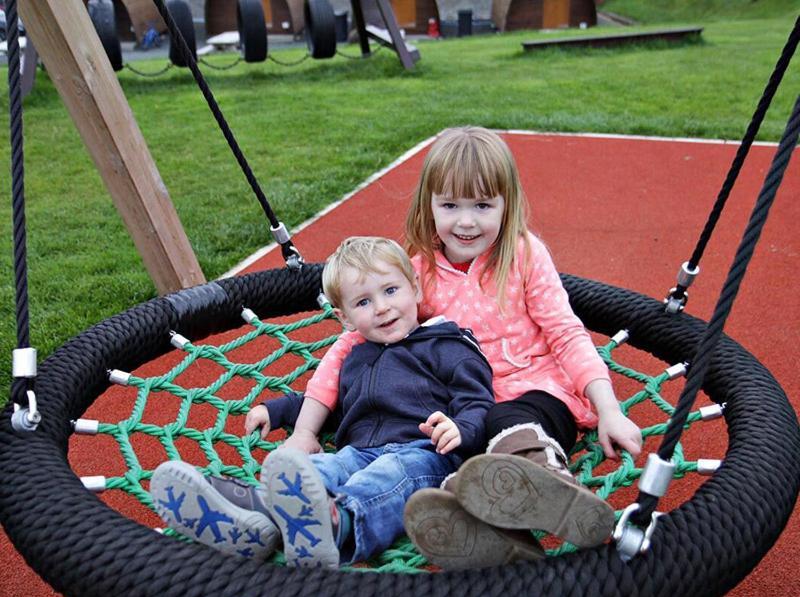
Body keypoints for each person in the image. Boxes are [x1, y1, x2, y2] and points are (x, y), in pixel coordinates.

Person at [302, 126, 643, 569]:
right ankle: (492, 529)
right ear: (430, 206)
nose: (466, 222)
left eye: (482, 205)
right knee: (451, 459)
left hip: (537, 395)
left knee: (510, 421)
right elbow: (352, 344)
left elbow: (565, 332)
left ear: (507, 205)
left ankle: (542, 480)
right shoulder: (418, 270)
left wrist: (609, 409)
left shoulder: (523, 255)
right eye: (450, 205)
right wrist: (304, 429)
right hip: (464, 411)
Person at [150, 236, 496, 568]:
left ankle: (337, 526)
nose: (382, 307)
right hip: (358, 452)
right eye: (363, 302)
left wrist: (461, 429)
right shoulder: (357, 357)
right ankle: (254, 516)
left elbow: (478, 401)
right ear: (345, 318)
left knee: (388, 476)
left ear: (416, 289)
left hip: (424, 456)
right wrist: (278, 409)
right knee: (320, 469)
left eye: (391, 290)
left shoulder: (446, 344)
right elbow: (332, 407)